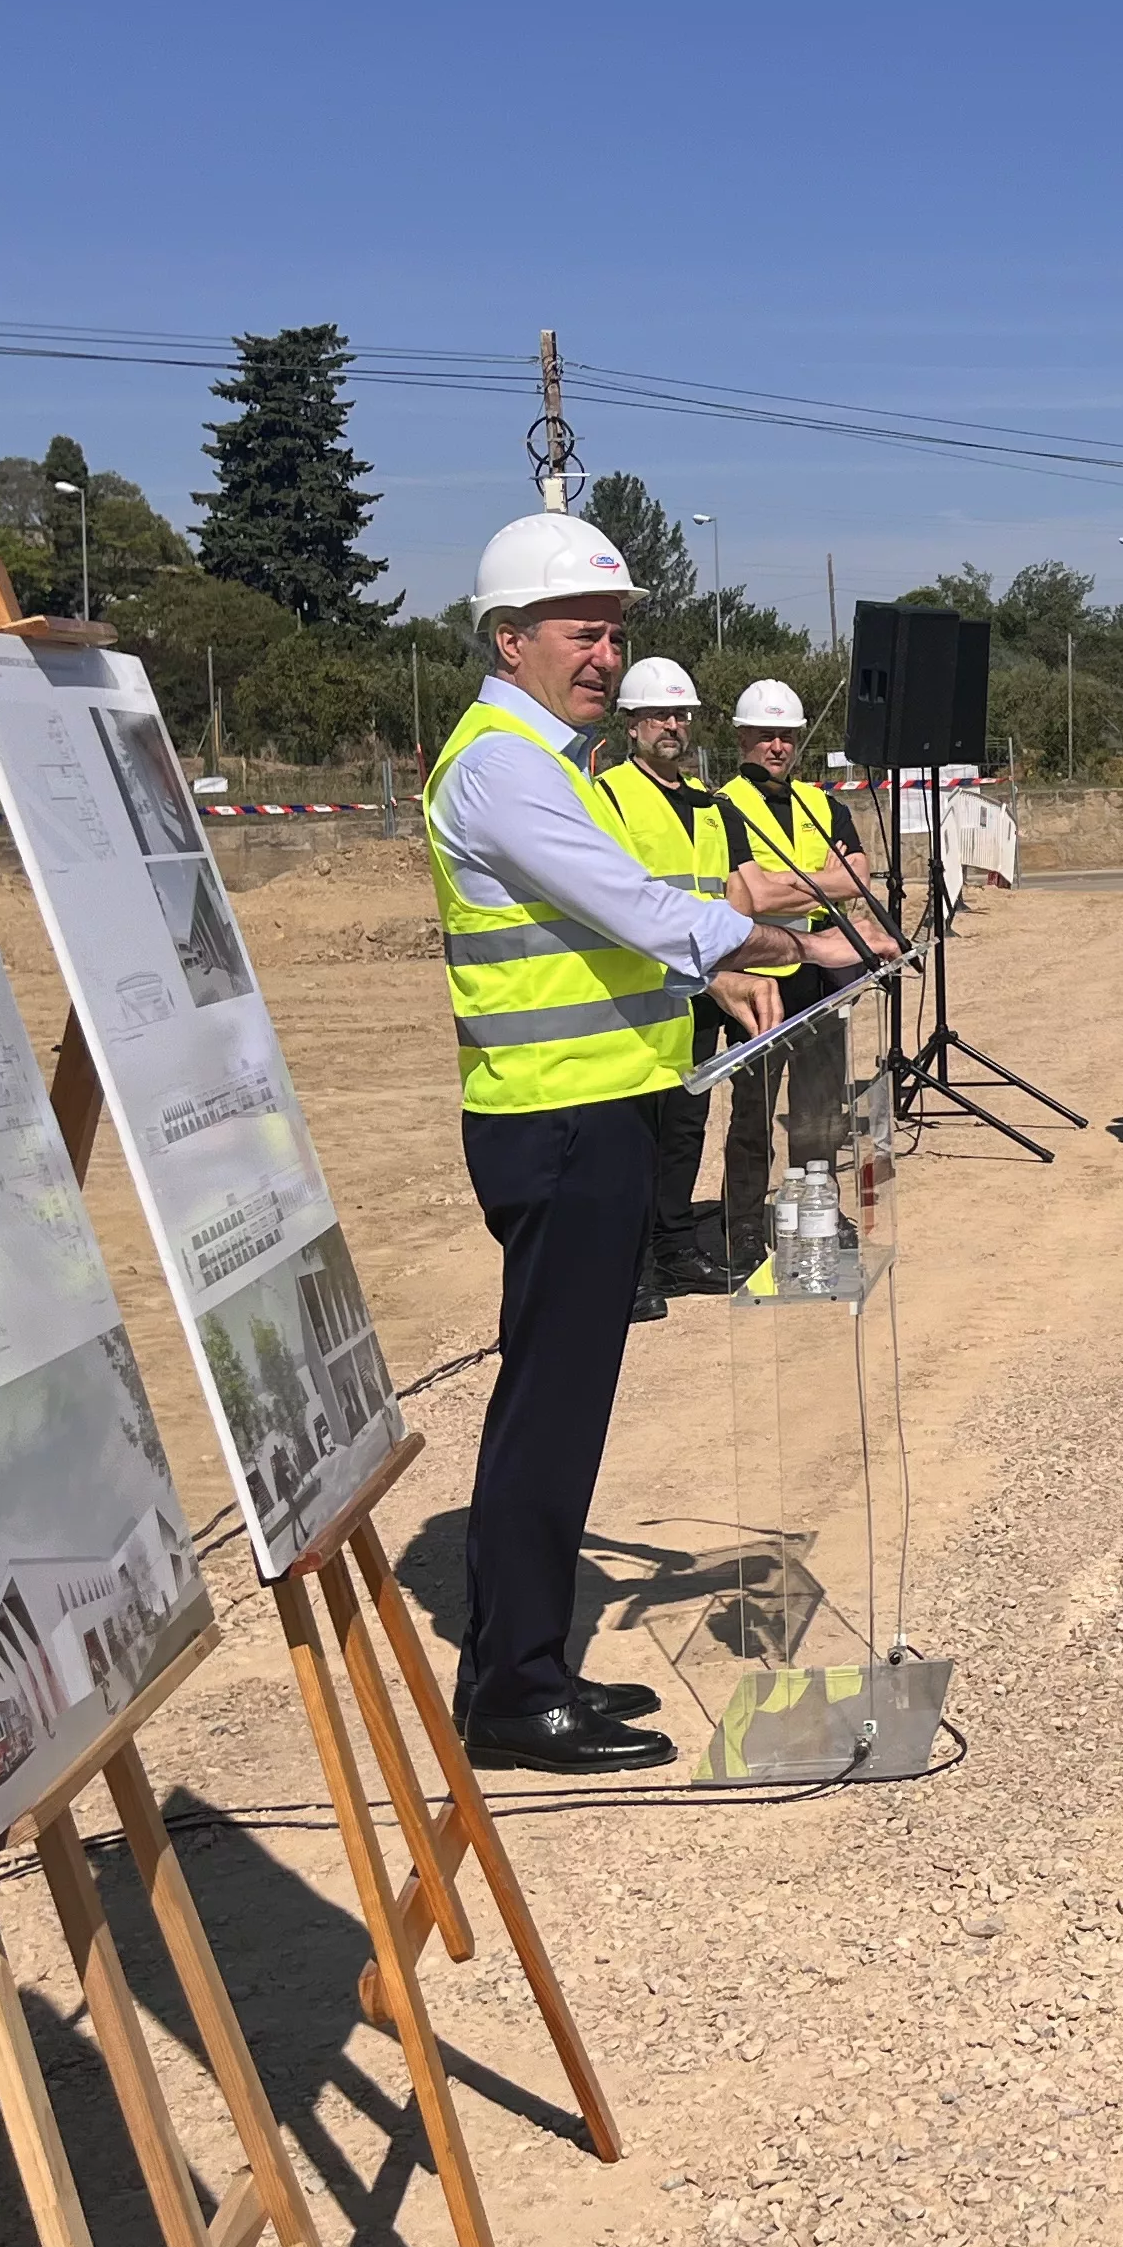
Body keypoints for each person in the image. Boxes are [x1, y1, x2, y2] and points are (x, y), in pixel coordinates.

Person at [427, 513, 858, 1772]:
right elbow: (634, 903)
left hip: (596, 1111)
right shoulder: (503, 767)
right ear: (509, 640)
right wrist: (783, 944)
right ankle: (515, 1690)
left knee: (564, 1405)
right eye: (582, 633)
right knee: (550, 1411)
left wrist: (705, 969)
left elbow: (604, 931)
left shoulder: (546, 761)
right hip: (556, 1121)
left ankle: (525, 1659)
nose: (605, 657)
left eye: (615, 635)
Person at [584, 655, 756, 1310]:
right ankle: (631, 1268)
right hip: (639, 991)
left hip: (701, 992)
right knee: (635, 1134)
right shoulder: (608, 798)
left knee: (685, 1125)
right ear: (631, 725)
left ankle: (675, 1248)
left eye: (681, 715)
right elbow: (616, 901)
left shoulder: (710, 805)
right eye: (658, 715)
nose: (672, 726)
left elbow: (728, 894)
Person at [712, 676, 897, 1272]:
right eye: (765, 735)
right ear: (741, 737)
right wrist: (818, 882)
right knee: (753, 1108)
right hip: (760, 974)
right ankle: (744, 1222)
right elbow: (751, 898)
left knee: (820, 1107)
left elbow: (857, 878)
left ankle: (818, 1206)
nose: (778, 746)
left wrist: (784, 885)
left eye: (787, 736)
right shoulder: (721, 807)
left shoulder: (825, 805)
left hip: (822, 976)